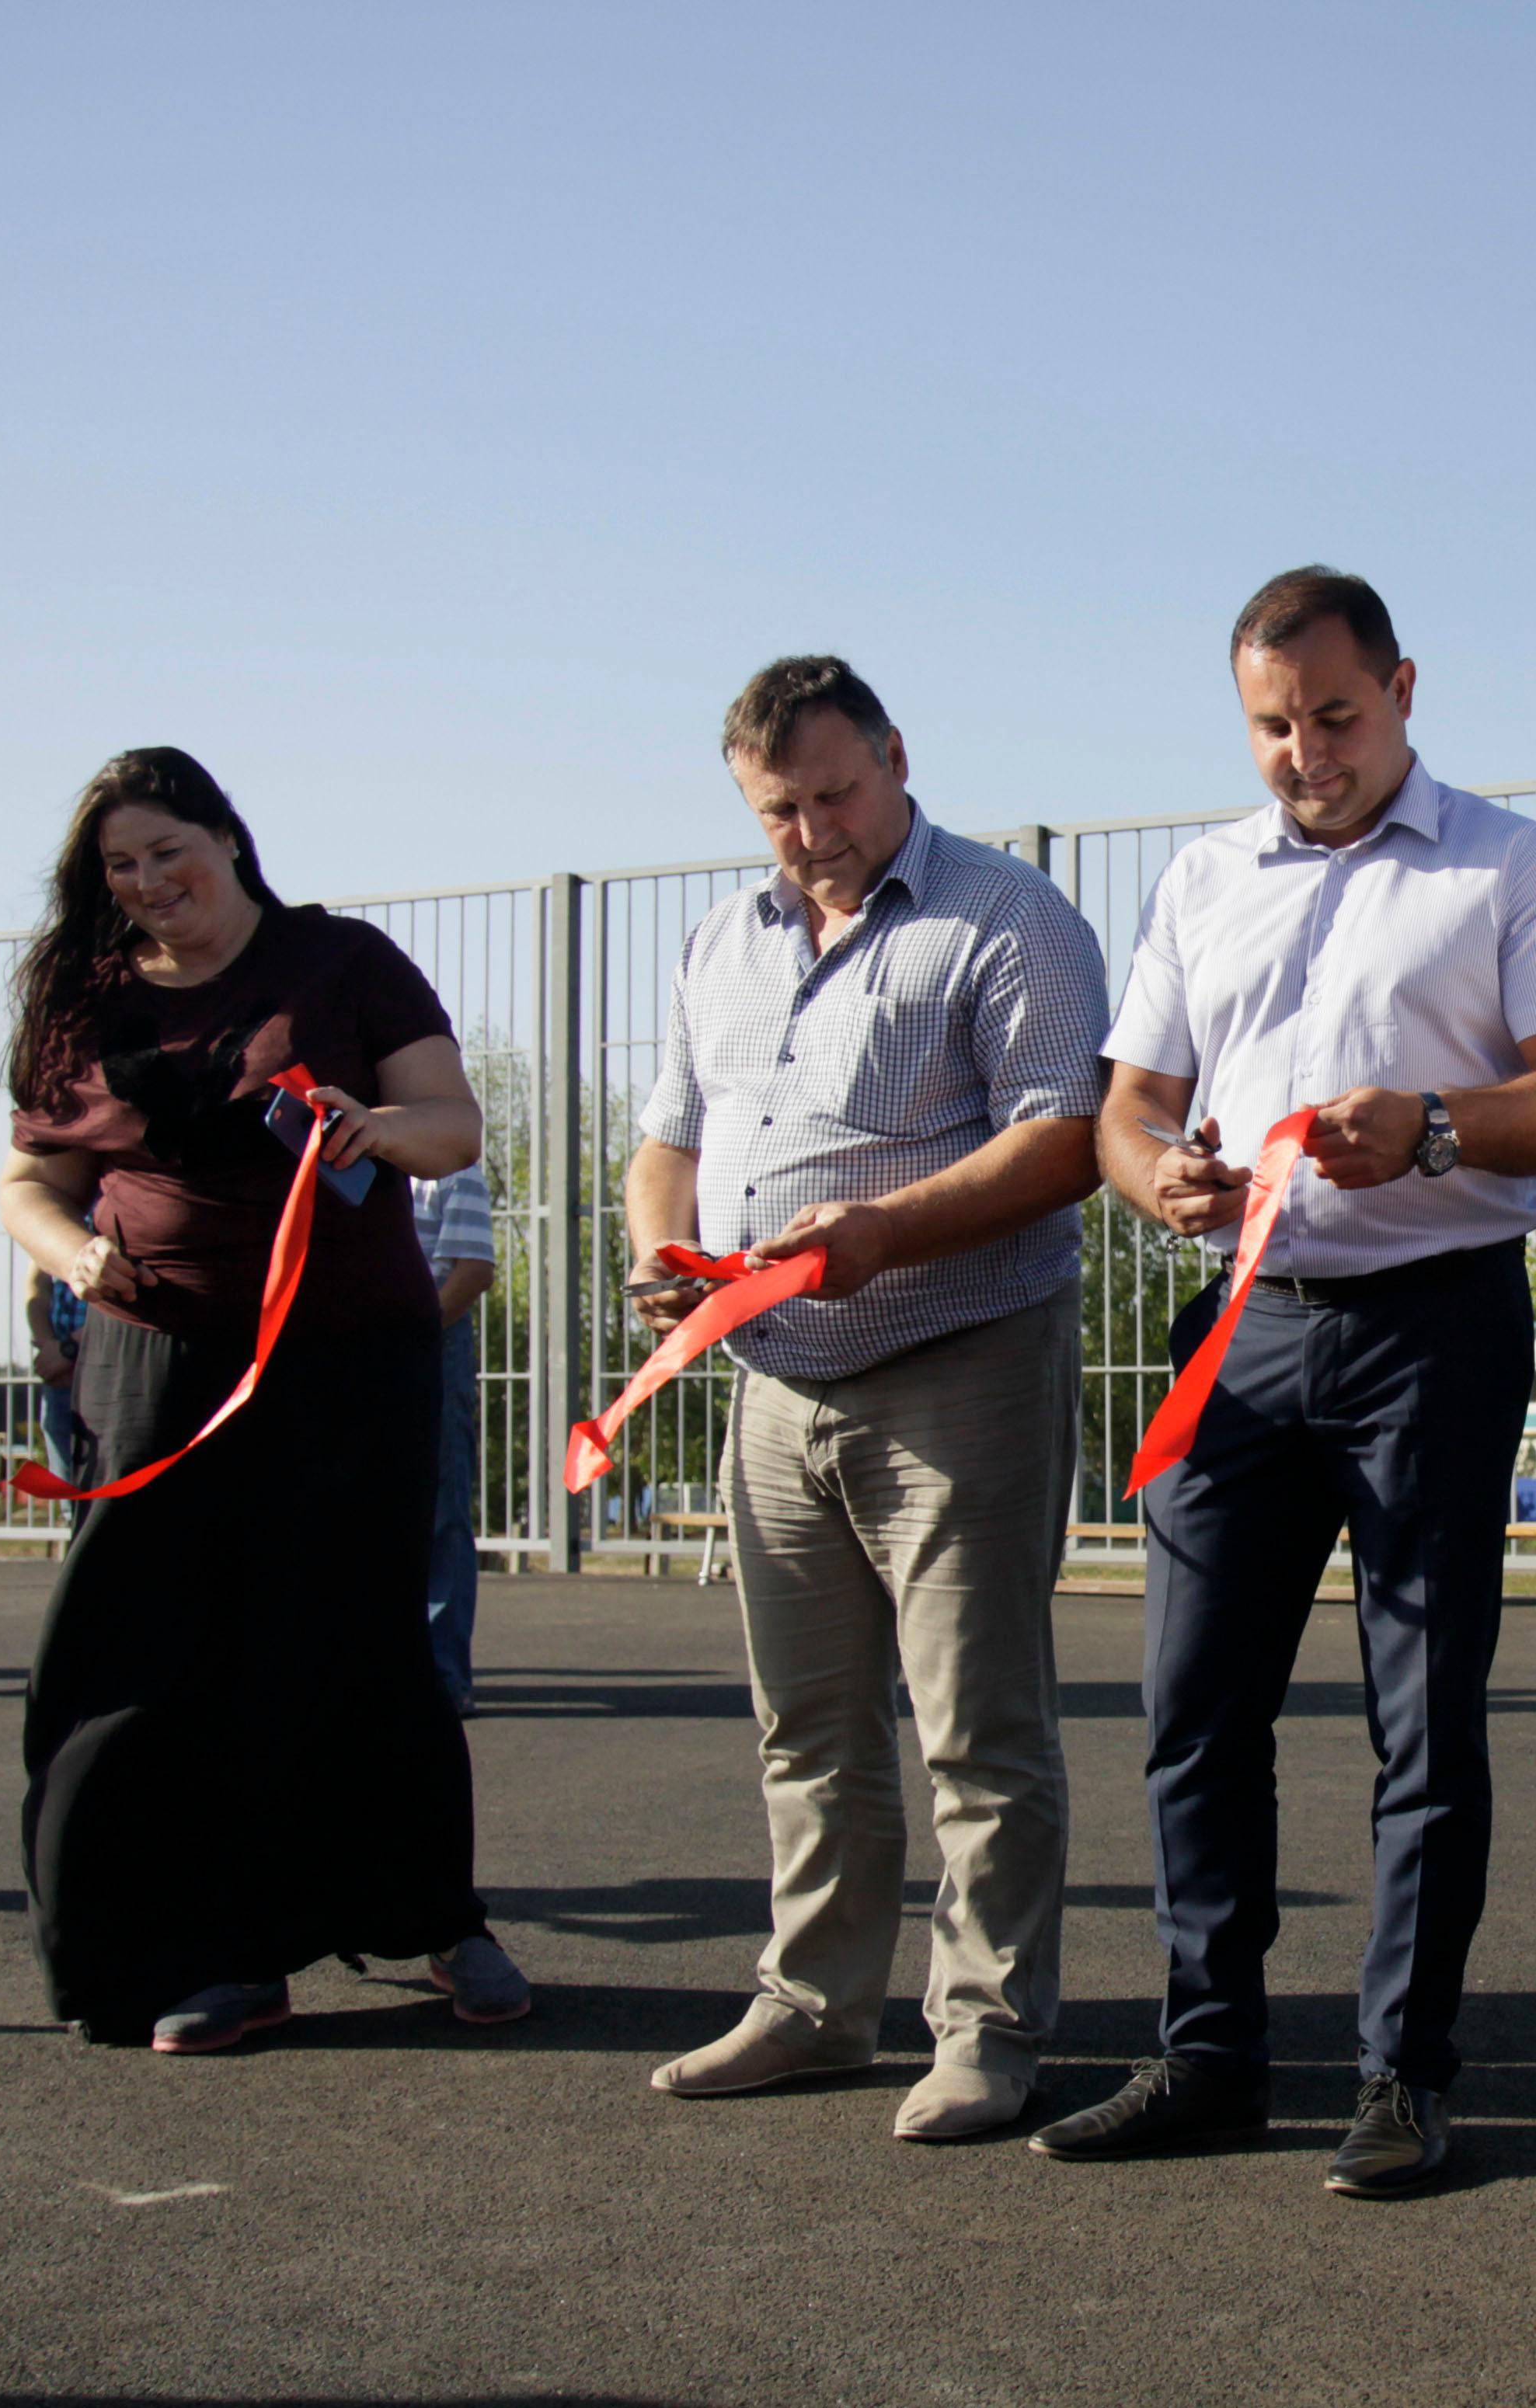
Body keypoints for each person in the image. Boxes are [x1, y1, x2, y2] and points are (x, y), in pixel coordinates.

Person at [1032, 567, 1536, 2197]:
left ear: (1404, 688)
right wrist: (1155, 1178)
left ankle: (1400, 2072)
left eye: (1335, 715)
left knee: (1417, 1714)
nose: (1305, 752)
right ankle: (1208, 2049)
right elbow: (1125, 1107)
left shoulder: (1512, 865)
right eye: (1272, 726)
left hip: (1433, 1320)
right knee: (1190, 1704)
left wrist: (1431, 1124)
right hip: (1242, 1327)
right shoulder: (1200, 878)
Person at [624, 654, 1106, 2142]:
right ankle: (818, 2006)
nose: (814, 828)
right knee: (809, 1724)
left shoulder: (1007, 917)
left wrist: (874, 1237)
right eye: (780, 808)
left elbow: (1065, 1138)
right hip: (773, 1384)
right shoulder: (722, 941)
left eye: (836, 791)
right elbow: (669, 1142)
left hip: (961, 1361)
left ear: (898, 756)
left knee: (978, 1725)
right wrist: (663, 1249)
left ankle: (989, 2029)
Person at [0, 746, 531, 2055]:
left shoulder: (341, 962)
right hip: (158, 1361)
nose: (148, 881)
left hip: (349, 1354)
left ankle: (428, 1914)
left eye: (166, 851)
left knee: (357, 1633)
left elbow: (449, 1128)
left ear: (227, 839)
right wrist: (73, 1259)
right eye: (120, 867)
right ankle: (211, 1951)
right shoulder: (86, 996)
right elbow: (31, 1185)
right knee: (155, 1649)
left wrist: (371, 1126)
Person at [412, 1162, 498, 1715]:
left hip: (431, 1336)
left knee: (441, 1508)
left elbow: (473, 1269)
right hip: (352, 1338)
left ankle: (443, 1676)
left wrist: (409, 1329)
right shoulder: (335, 1150)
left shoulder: (448, 1163)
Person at [25, 1265, 90, 1503]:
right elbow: (37, 1283)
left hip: (111, 1366)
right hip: (59, 1377)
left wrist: (68, 1350)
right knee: (70, 1508)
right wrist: (49, 1348)